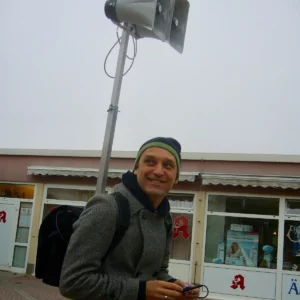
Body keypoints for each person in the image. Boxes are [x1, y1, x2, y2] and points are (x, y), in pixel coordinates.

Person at [59, 137, 200, 299]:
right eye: (150, 162)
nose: (159, 171)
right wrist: (140, 290)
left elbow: (157, 272)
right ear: (136, 169)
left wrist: (175, 285)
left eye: (168, 165)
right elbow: (72, 282)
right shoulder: (107, 207)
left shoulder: (165, 218)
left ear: (176, 178)